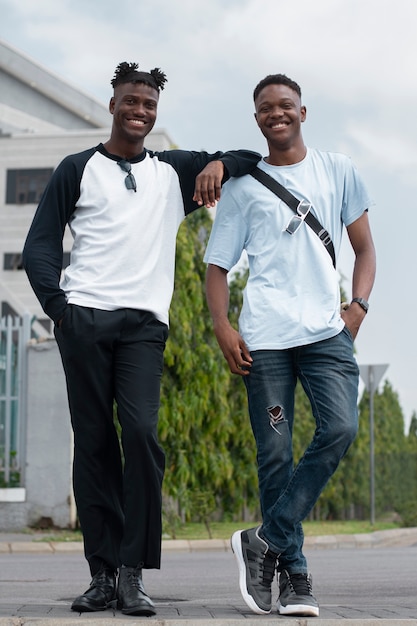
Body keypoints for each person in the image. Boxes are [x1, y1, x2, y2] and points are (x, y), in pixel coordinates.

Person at [22, 61, 261, 617]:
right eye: (131, 101)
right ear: (112, 105)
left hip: (143, 329)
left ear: (156, 112)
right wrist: (61, 311)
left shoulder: (170, 172)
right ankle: (101, 575)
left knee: (142, 432)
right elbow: (38, 247)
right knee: (95, 445)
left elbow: (249, 160)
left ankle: (133, 573)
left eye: (149, 105)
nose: (140, 112)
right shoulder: (76, 168)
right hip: (84, 322)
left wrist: (219, 163)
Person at [204, 73, 376, 617]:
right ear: (256, 119)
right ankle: (295, 580)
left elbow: (365, 249)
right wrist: (222, 327)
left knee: (341, 428)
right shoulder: (243, 185)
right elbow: (217, 267)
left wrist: (358, 309)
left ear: (303, 112)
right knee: (274, 455)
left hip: (328, 334)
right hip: (267, 341)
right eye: (264, 109)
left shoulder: (338, 169)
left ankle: (266, 539)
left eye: (285, 105)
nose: (275, 114)